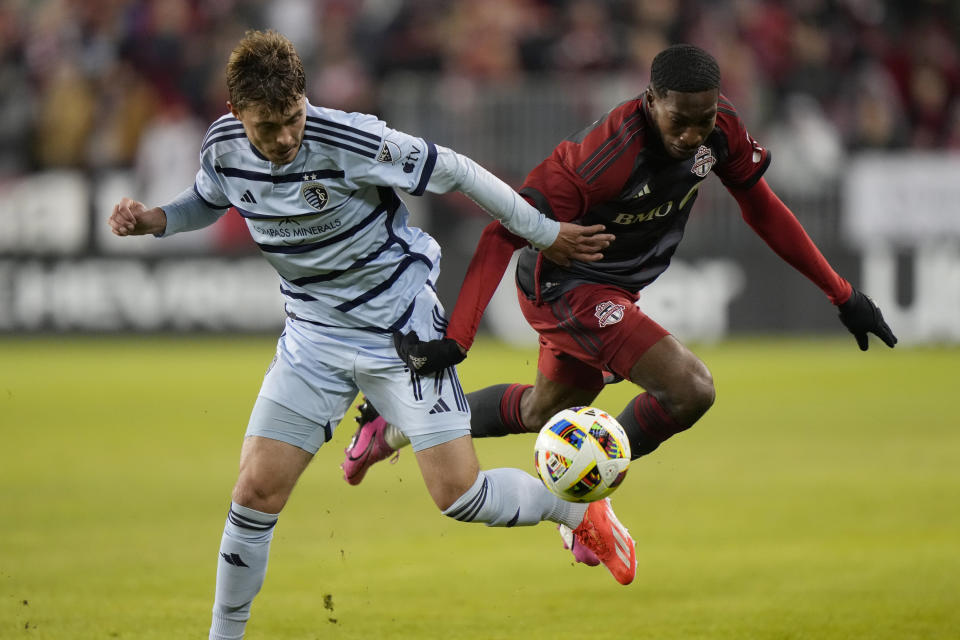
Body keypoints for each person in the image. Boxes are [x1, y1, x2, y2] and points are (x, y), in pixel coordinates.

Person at [107, 29, 633, 640]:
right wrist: (156, 221)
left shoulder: (352, 139)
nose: (281, 138)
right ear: (235, 114)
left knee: (458, 497)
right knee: (253, 493)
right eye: (264, 127)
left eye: (290, 119)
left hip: (401, 329)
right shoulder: (223, 146)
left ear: (304, 99)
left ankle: (574, 508)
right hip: (312, 340)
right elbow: (209, 198)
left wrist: (544, 231)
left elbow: (457, 171)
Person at [342, 44, 898, 567]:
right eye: (679, 119)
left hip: (615, 287)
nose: (691, 133)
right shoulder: (599, 159)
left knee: (542, 412)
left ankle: (395, 425)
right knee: (689, 389)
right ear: (650, 100)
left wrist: (842, 293)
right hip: (563, 286)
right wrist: (458, 338)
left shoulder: (719, 128)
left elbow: (761, 207)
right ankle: (584, 502)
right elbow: (501, 231)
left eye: (703, 120)